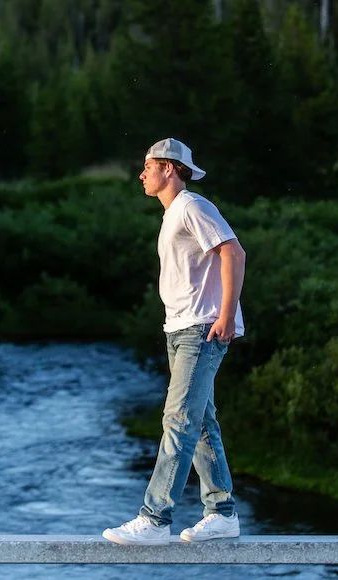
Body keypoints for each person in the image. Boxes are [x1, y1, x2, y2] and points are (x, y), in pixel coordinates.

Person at [103, 137, 246, 545]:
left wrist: (226, 316)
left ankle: (155, 517)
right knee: (200, 422)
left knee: (178, 420)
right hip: (181, 329)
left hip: (202, 328)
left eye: (147, 166)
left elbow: (233, 253)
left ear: (169, 168)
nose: (141, 174)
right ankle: (221, 513)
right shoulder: (172, 214)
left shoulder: (192, 206)